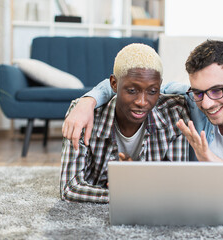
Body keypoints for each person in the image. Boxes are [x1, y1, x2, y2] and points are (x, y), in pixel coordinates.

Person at [62, 40, 223, 207]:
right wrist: (88, 100)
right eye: (199, 92)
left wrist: (211, 162)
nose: (207, 103)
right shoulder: (188, 98)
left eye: (217, 90)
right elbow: (138, 82)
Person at [60, 43, 190, 203]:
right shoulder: (84, 114)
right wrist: (122, 194)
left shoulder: (175, 112)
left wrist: (135, 181)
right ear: (114, 84)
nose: (142, 102)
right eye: (132, 90)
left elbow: (175, 188)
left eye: (152, 91)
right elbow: (70, 188)